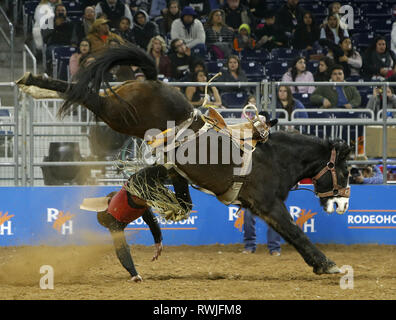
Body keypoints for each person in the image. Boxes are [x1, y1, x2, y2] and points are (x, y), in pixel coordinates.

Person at [96, 165, 166, 282]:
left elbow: (153, 223)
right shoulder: (114, 216)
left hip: (119, 202)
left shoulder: (142, 203)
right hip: (110, 214)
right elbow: (121, 248)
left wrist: (158, 241)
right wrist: (134, 274)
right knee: (120, 243)